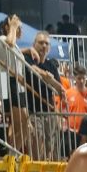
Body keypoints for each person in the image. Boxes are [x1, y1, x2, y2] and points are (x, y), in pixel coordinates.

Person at [24, 30, 65, 160]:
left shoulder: (51, 65)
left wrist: (50, 79)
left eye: (46, 43)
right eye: (41, 43)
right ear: (34, 44)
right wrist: (46, 76)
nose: (43, 46)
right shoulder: (28, 58)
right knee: (37, 143)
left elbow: (59, 88)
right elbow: (33, 69)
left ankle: (47, 170)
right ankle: (37, 170)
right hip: (33, 111)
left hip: (49, 111)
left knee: (50, 147)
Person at [0, 15, 31, 155]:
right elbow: (9, 43)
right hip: (11, 82)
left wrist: (28, 50)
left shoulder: (13, 43)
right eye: (18, 27)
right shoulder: (3, 38)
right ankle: (11, 155)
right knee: (24, 124)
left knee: (19, 125)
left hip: (17, 84)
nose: (20, 30)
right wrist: (13, 27)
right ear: (7, 27)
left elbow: (13, 50)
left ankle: (12, 154)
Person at [65, 64, 87, 151]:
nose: (82, 81)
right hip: (71, 132)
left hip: (86, 133)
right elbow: (60, 108)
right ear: (75, 78)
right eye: (79, 78)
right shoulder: (68, 93)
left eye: (84, 78)